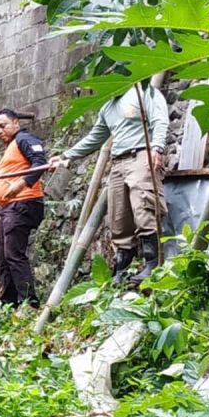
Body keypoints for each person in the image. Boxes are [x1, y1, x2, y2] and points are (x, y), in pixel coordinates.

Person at [50, 84, 168, 283]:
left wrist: (157, 147)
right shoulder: (107, 106)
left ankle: (152, 264)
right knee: (118, 216)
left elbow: (160, 119)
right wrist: (66, 156)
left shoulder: (143, 91)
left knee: (144, 206)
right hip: (118, 162)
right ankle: (122, 268)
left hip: (140, 154)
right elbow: (95, 137)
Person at [0, 109, 49, 307]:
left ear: (16, 122)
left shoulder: (24, 139)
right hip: (11, 209)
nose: (0, 131)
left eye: (3, 125)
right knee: (3, 260)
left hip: (24, 203)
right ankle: (9, 304)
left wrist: (22, 184)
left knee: (14, 255)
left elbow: (41, 163)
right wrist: (2, 214)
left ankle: (29, 303)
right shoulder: (10, 148)